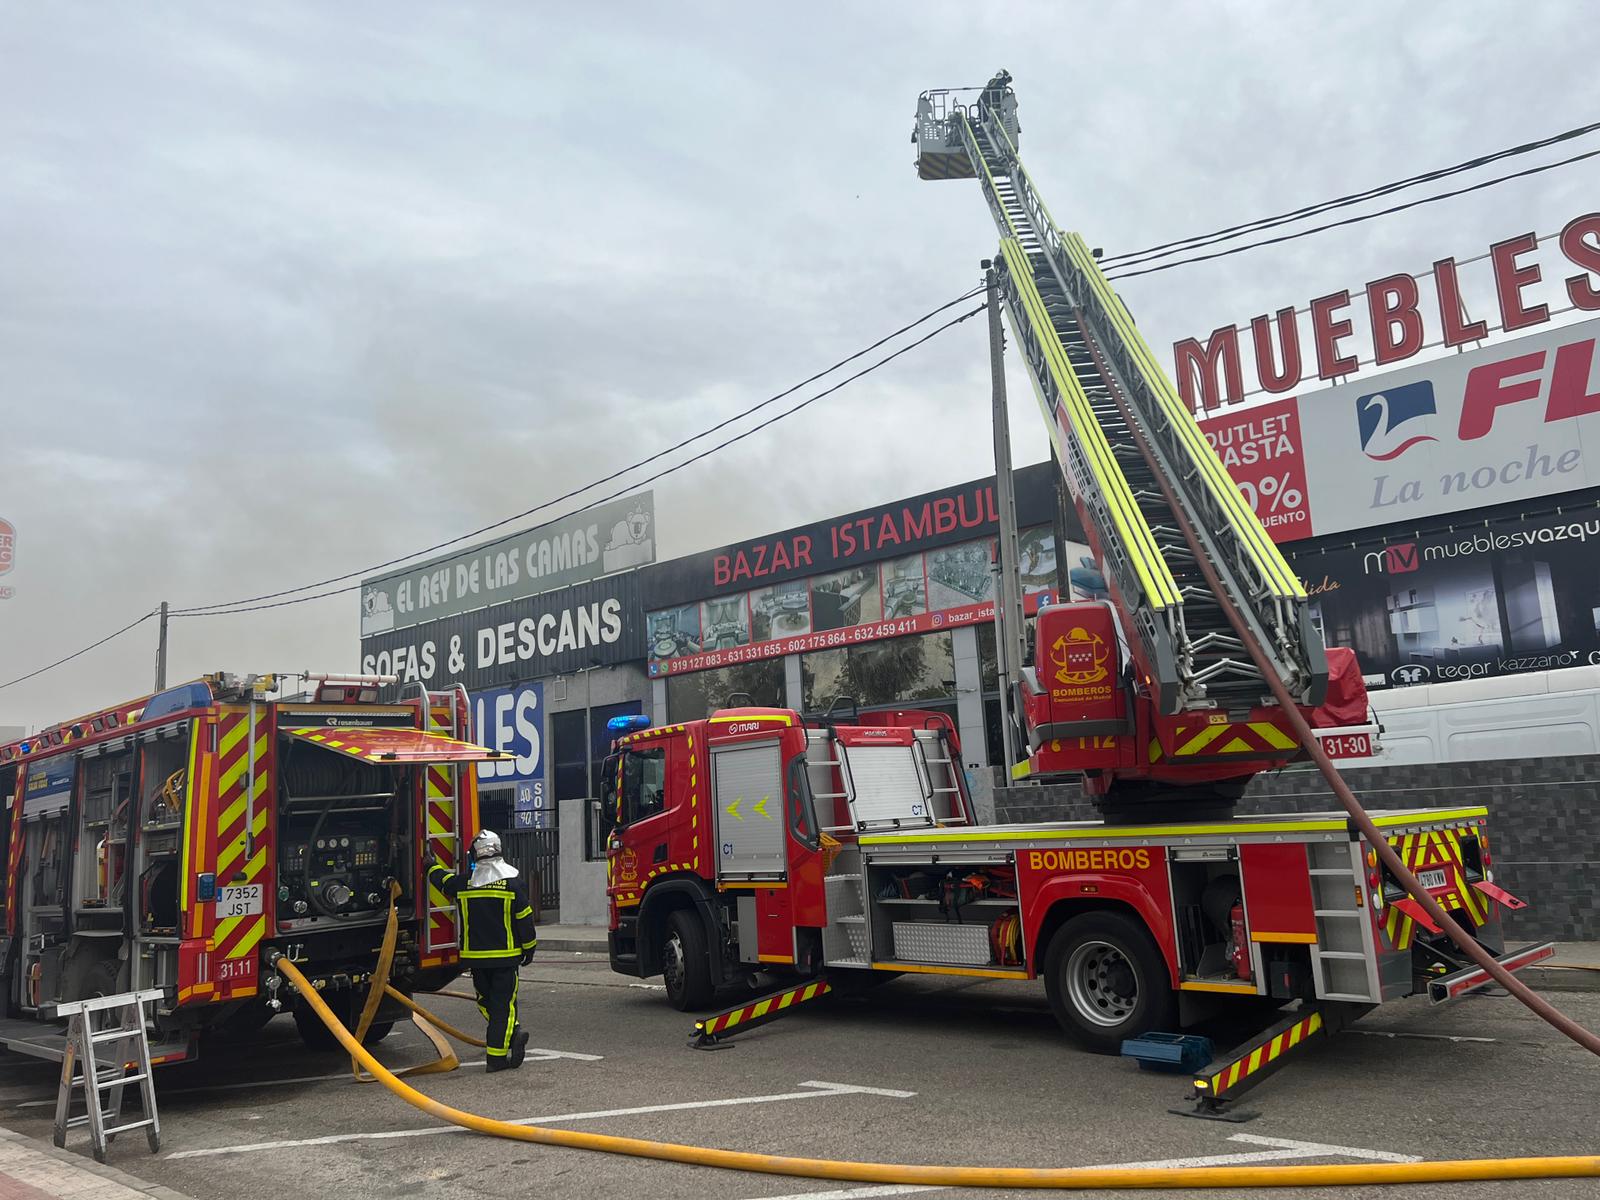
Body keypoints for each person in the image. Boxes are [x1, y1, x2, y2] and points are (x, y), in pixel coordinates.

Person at [427, 830, 538, 1072]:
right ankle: (499, 1056)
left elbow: (443, 882)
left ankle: (509, 1036)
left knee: (487, 1003)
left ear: (474, 854)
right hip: (506, 959)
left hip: (476, 960)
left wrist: (430, 866)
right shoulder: (513, 883)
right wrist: (529, 948)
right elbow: (524, 919)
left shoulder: (465, 883)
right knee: (503, 1007)